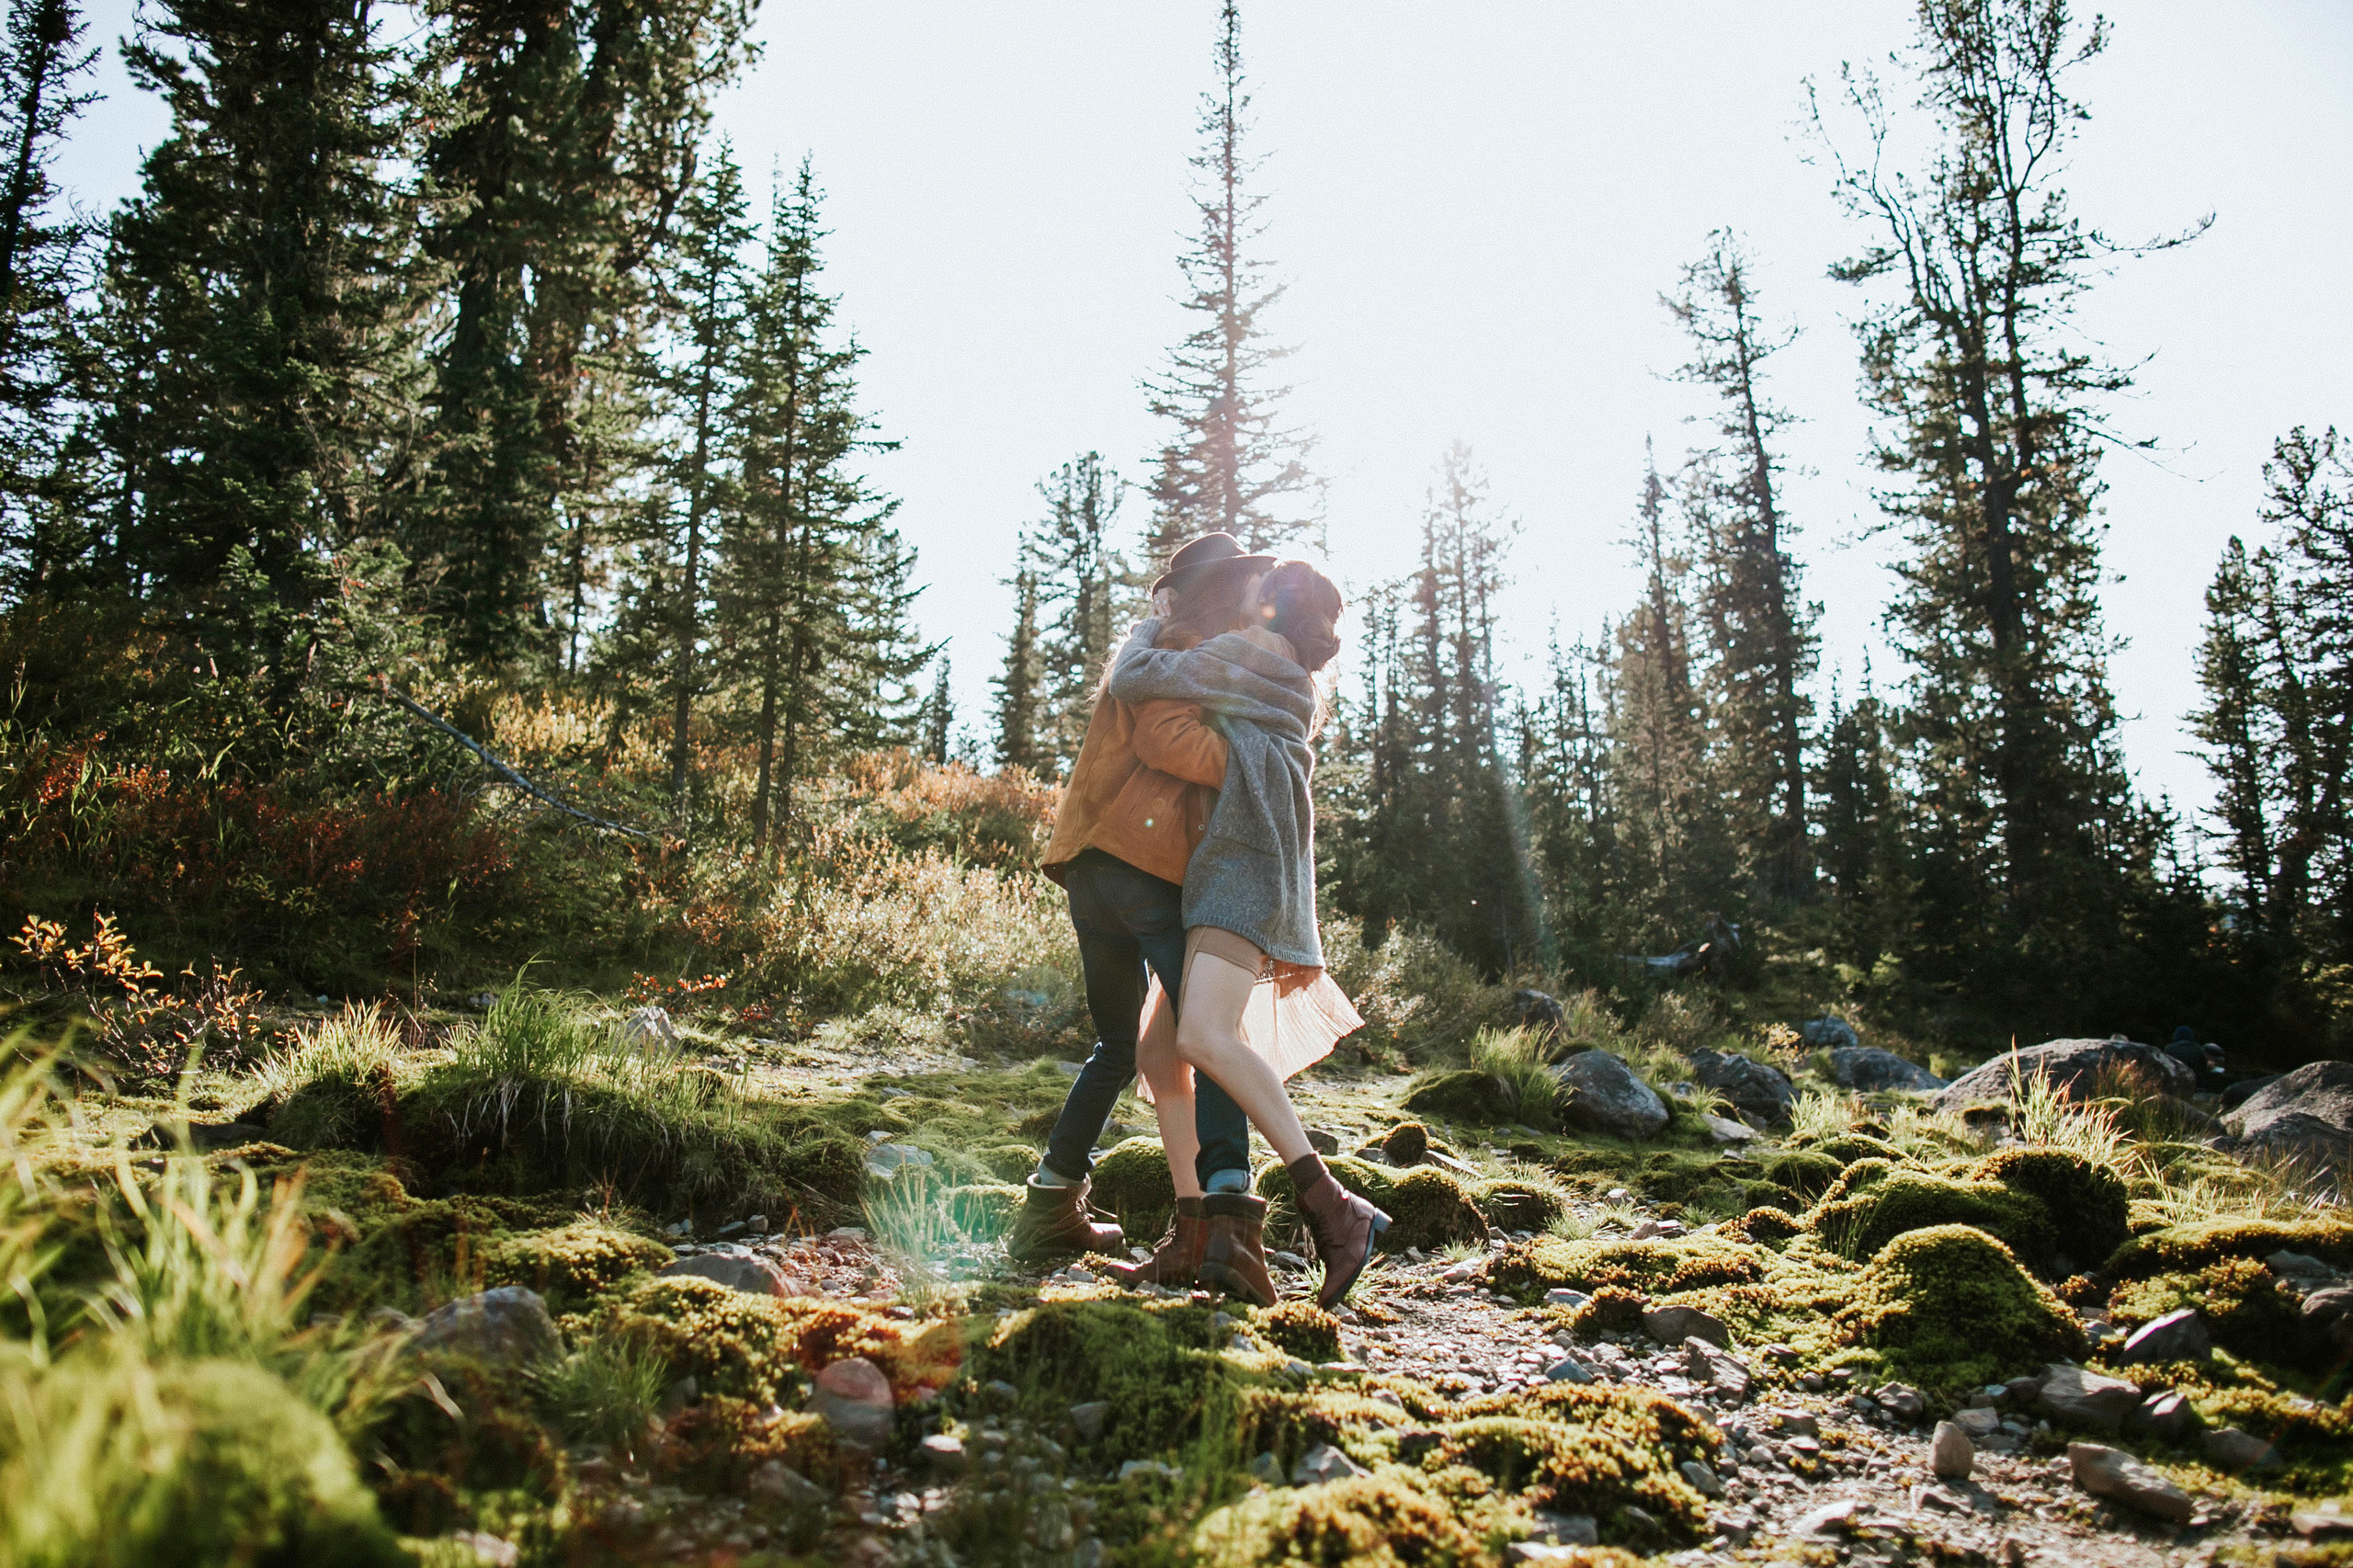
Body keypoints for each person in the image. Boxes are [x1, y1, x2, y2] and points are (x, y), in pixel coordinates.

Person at [1106, 560, 1389, 1309]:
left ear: (1271, 609)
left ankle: (1335, 1207)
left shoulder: (1251, 656)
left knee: (1203, 1036)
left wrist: (1140, 631)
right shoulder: (1296, 676)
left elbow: (1138, 677)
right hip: (1248, 867)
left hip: (1244, 874)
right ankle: (1194, 1232)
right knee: (1162, 1053)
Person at [1006, 532, 1270, 1267]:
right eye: (1246, 588)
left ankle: (1050, 1201)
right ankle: (1224, 1218)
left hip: (1092, 869)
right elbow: (1165, 742)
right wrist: (1260, 763)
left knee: (1119, 1045)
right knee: (1209, 1036)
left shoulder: (1148, 649)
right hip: (1141, 866)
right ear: (1223, 593)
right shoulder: (1186, 654)